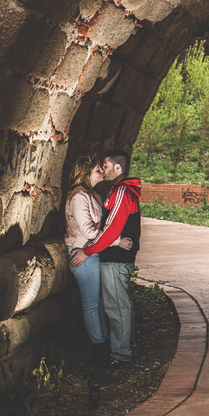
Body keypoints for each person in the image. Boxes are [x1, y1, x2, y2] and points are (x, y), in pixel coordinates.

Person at [71, 150, 141, 366]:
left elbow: (110, 231)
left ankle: (121, 355)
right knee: (115, 305)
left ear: (117, 168)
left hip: (116, 258)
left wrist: (88, 251)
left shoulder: (121, 192)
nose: (103, 169)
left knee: (117, 307)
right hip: (115, 256)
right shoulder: (118, 191)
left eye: (106, 165)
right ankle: (122, 348)